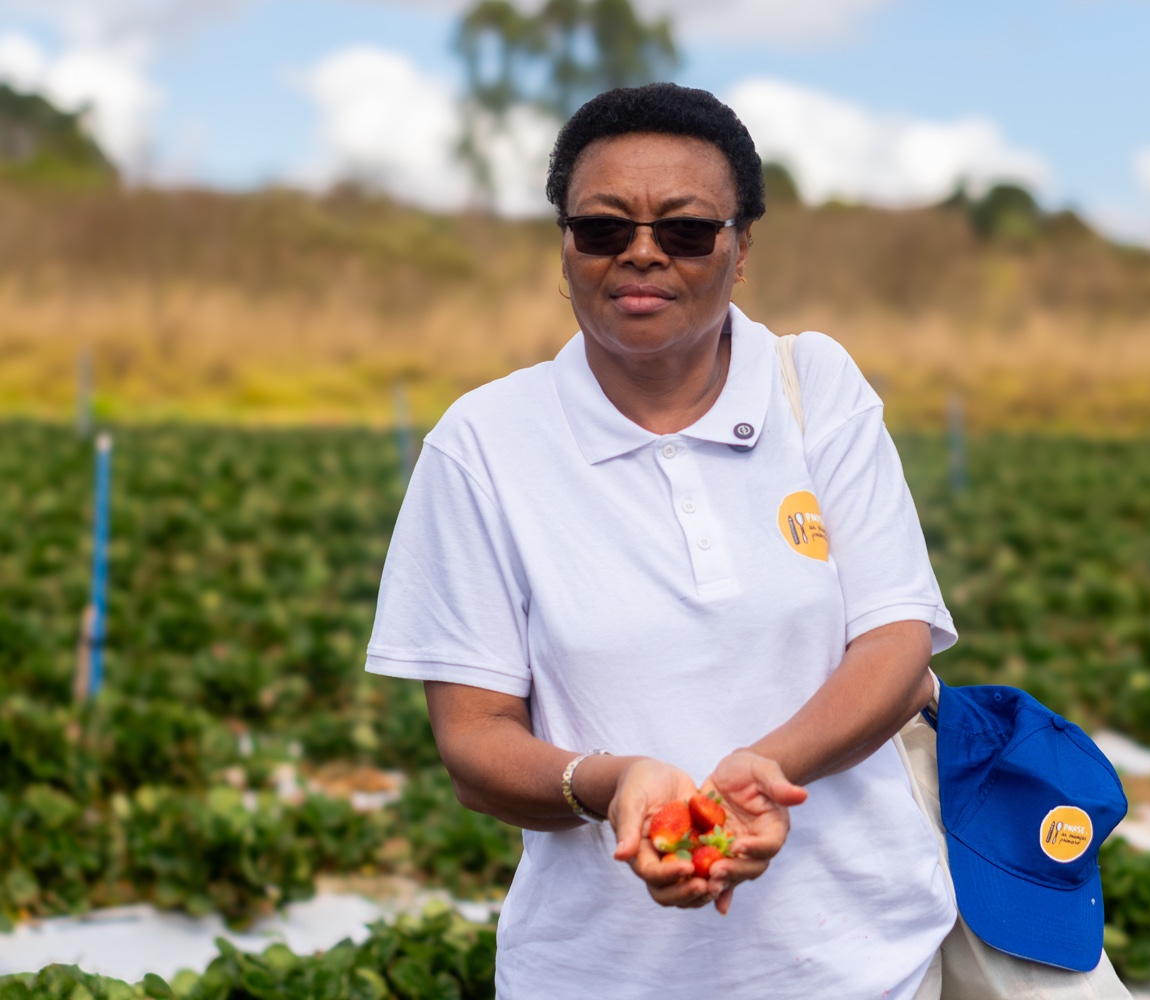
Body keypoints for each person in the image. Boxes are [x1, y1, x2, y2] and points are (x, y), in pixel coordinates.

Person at [366, 82, 958, 999]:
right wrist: (610, 782)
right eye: (603, 228)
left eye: (685, 230)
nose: (642, 254)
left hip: (866, 962)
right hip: (596, 973)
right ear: (564, 246)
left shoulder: (816, 387)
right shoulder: (484, 443)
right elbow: (475, 742)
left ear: (741, 244)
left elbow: (895, 639)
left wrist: (767, 771)